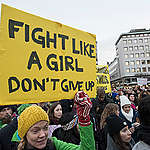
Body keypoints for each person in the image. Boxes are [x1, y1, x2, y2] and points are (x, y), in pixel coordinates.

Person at [17, 91, 95, 150]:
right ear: (24, 134)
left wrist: (84, 120)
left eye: (45, 128)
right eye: (35, 131)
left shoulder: (54, 144)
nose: (42, 135)